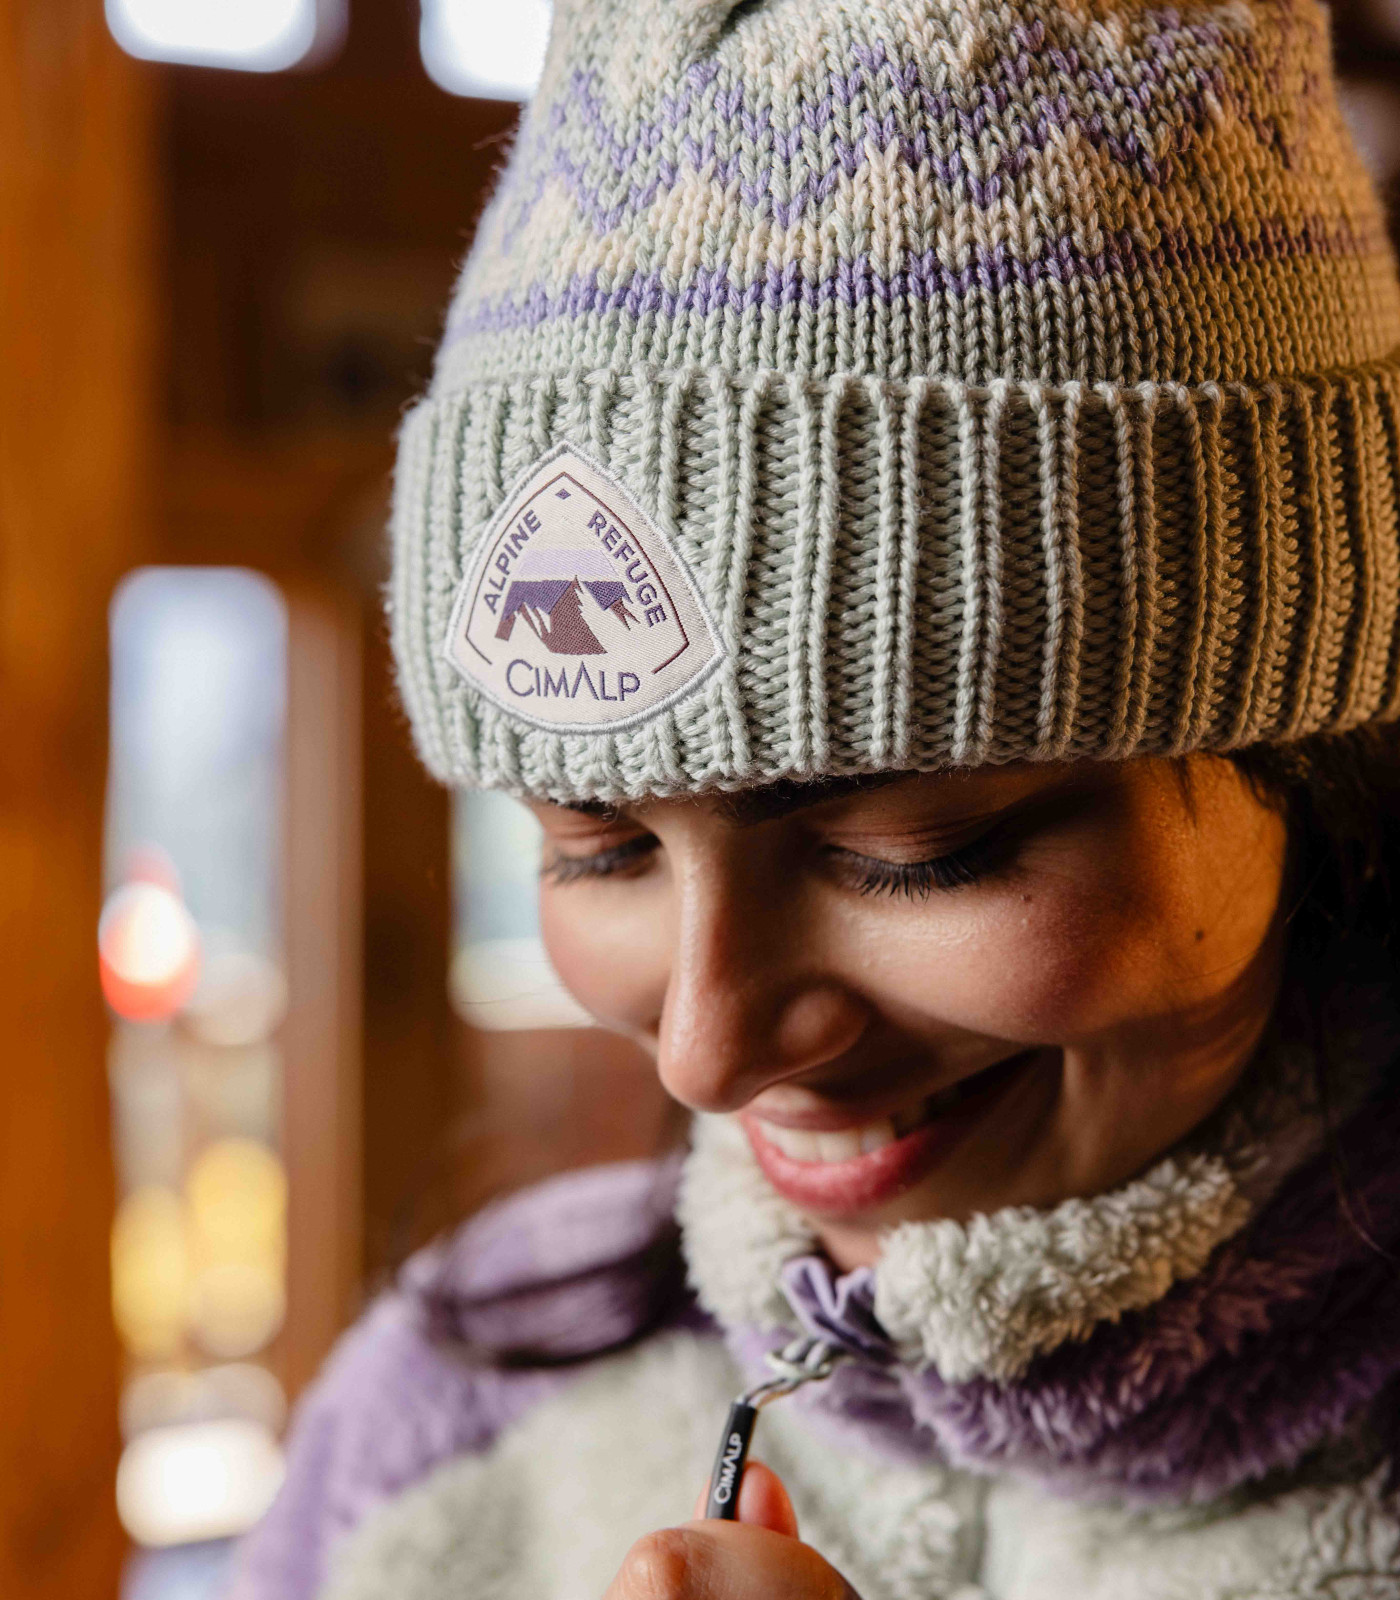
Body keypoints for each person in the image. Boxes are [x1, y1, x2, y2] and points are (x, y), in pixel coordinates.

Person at [231, 0, 1400, 1593]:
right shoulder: (451, 1422)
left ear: (1315, 749)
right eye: (602, 845)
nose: (708, 1054)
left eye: (913, 853)